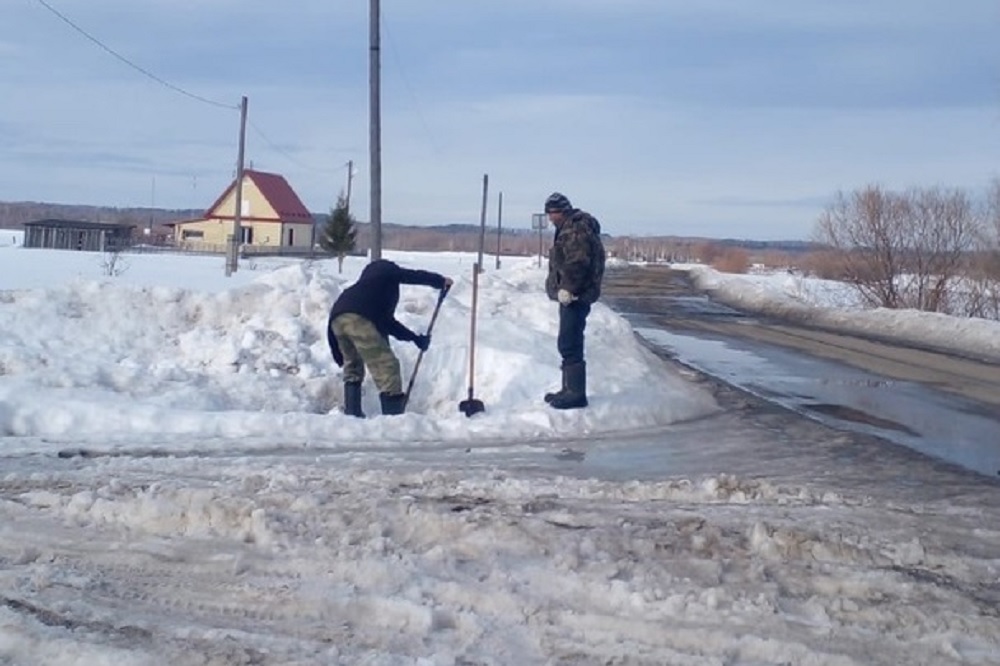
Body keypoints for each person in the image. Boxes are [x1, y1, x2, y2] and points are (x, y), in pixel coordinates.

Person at [327, 259, 452, 417]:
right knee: (388, 367)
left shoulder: (364, 290)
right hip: (359, 320)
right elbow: (412, 275)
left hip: (337, 320)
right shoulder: (386, 275)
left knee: (353, 365)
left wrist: (414, 338)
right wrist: (440, 281)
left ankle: (353, 415)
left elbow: (387, 323)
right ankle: (393, 422)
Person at [543, 192, 606, 409]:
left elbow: (578, 262)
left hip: (576, 294)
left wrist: (568, 288)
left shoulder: (575, 229)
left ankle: (576, 394)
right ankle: (568, 389)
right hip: (573, 293)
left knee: (569, 341)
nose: (552, 217)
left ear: (565, 210)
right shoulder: (569, 227)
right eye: (549, 213)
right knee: (568, 341)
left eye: (555, 212)